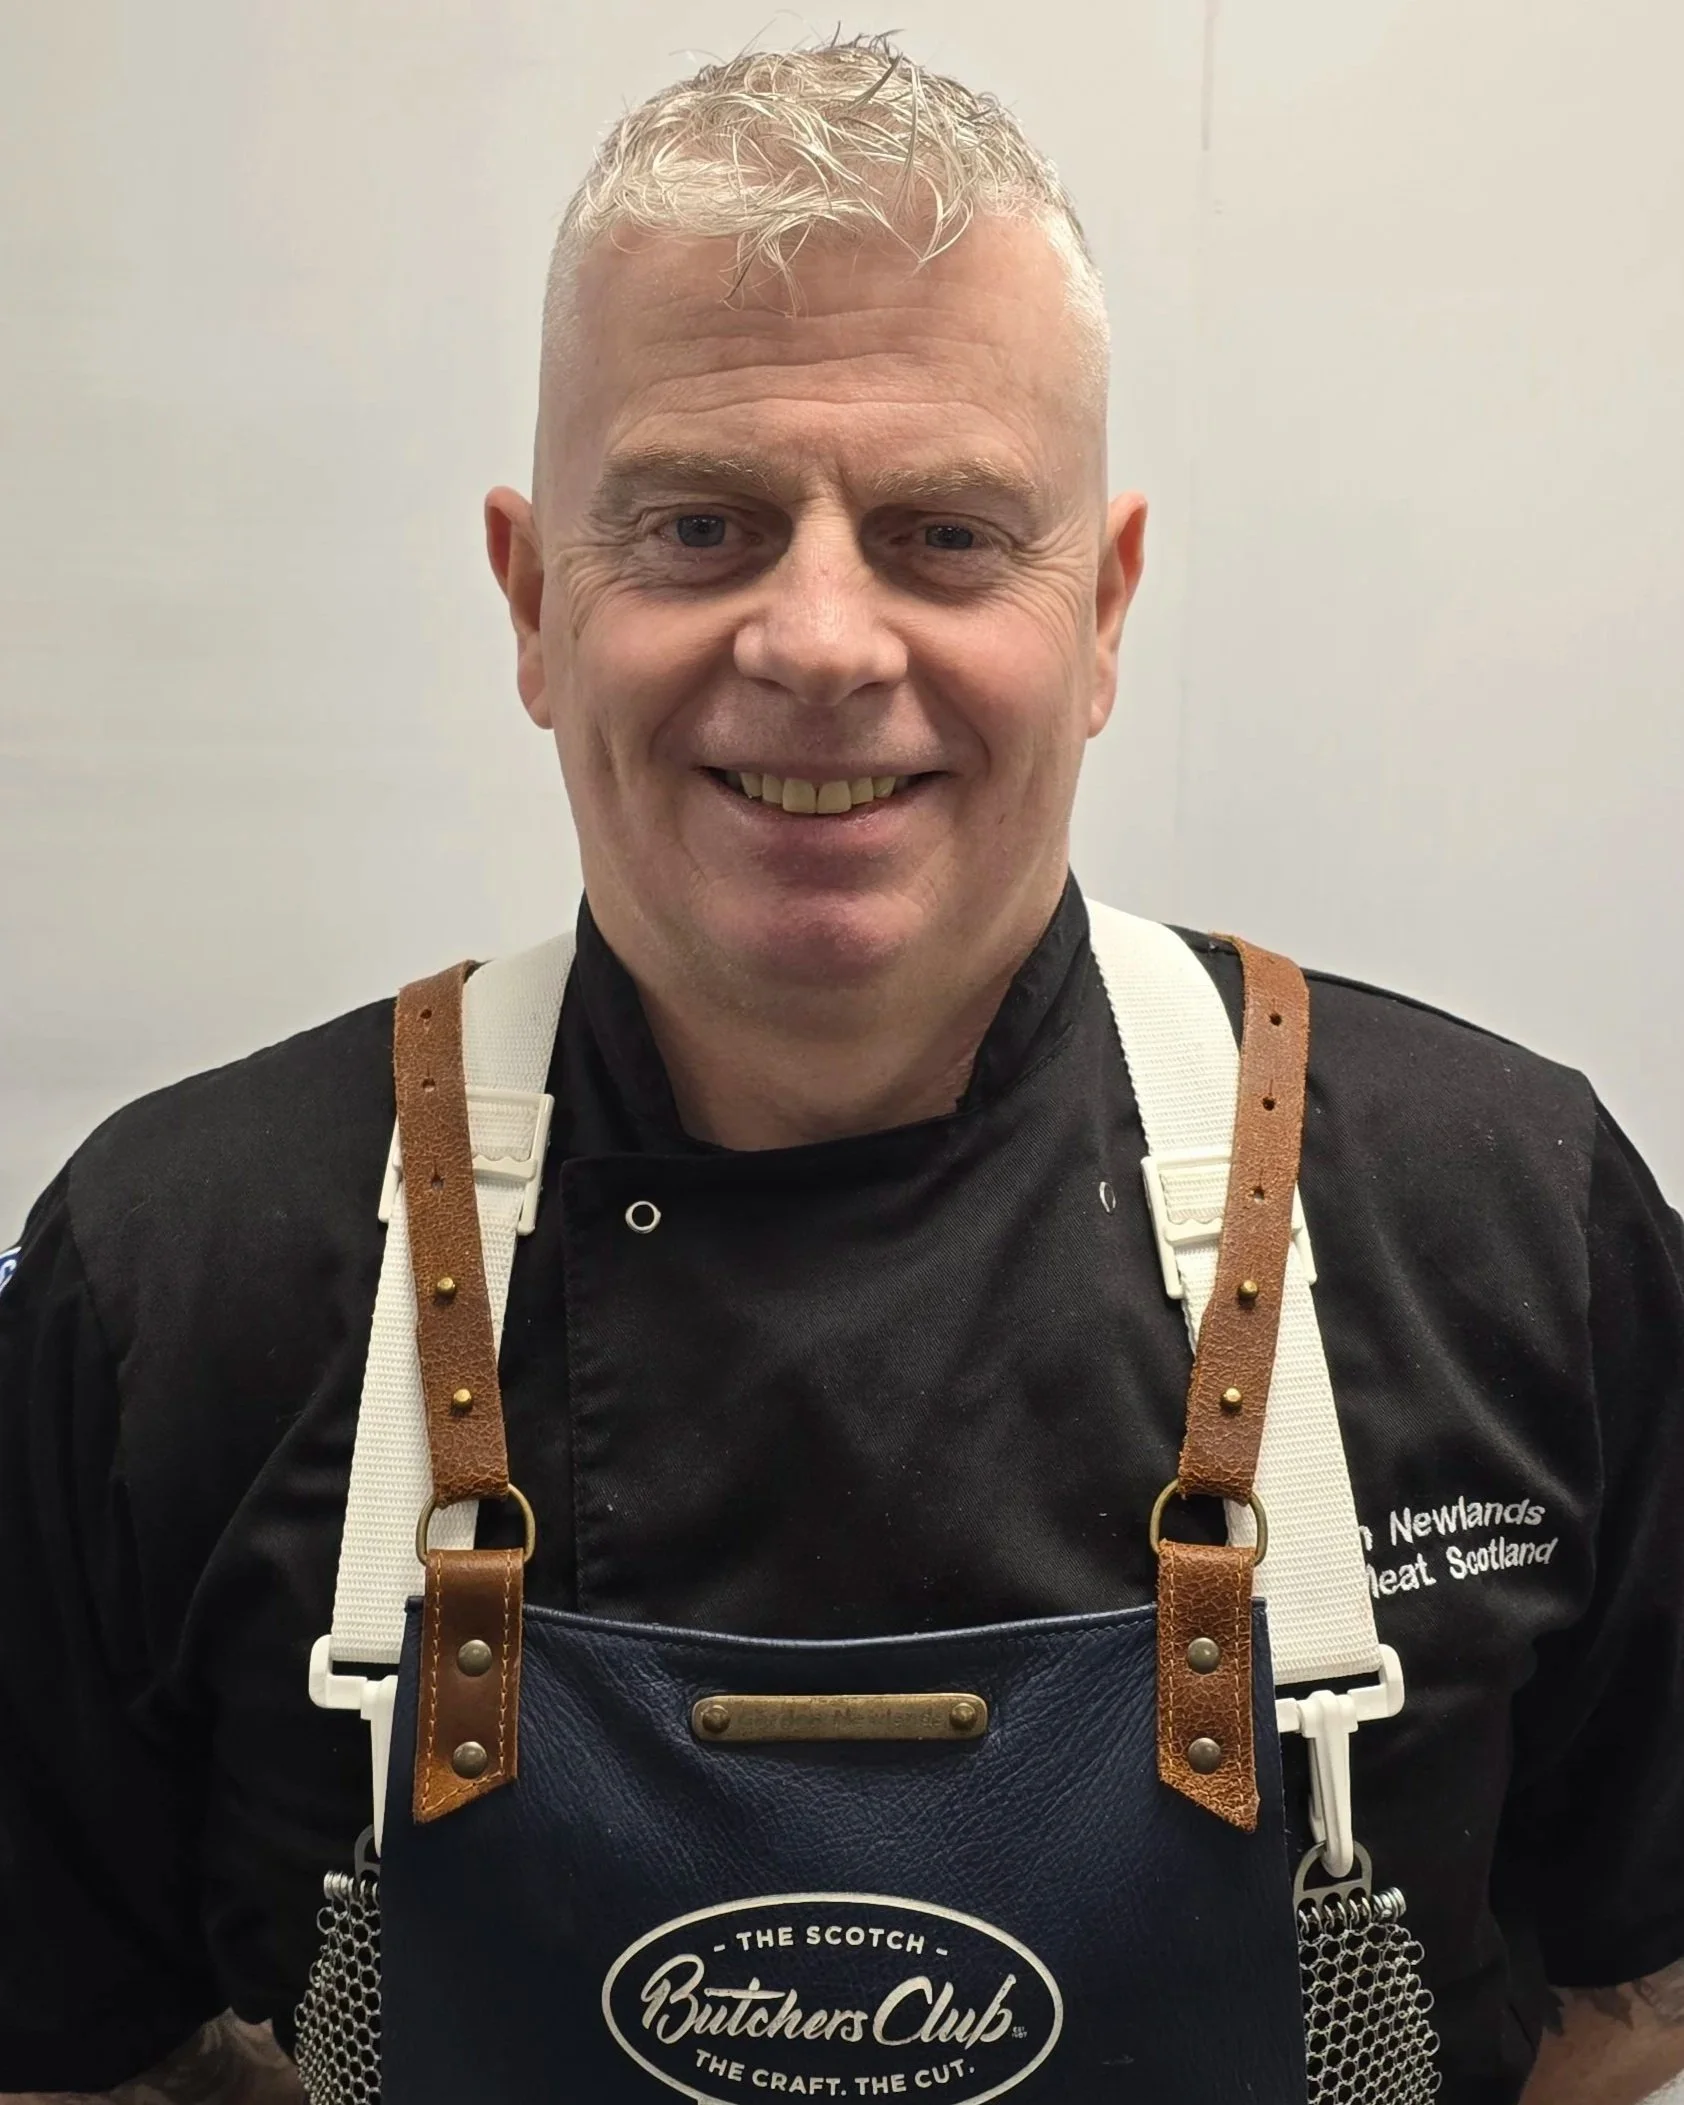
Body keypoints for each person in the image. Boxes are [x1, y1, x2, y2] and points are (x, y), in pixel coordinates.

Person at [2, 34, 1682, 2105]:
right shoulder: (170, 1282)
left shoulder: (1511, 1225)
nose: (817, 639)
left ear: (1104, 610)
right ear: (532, 603)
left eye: (945, 533)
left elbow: (1634, 1996)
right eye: (698, 525)